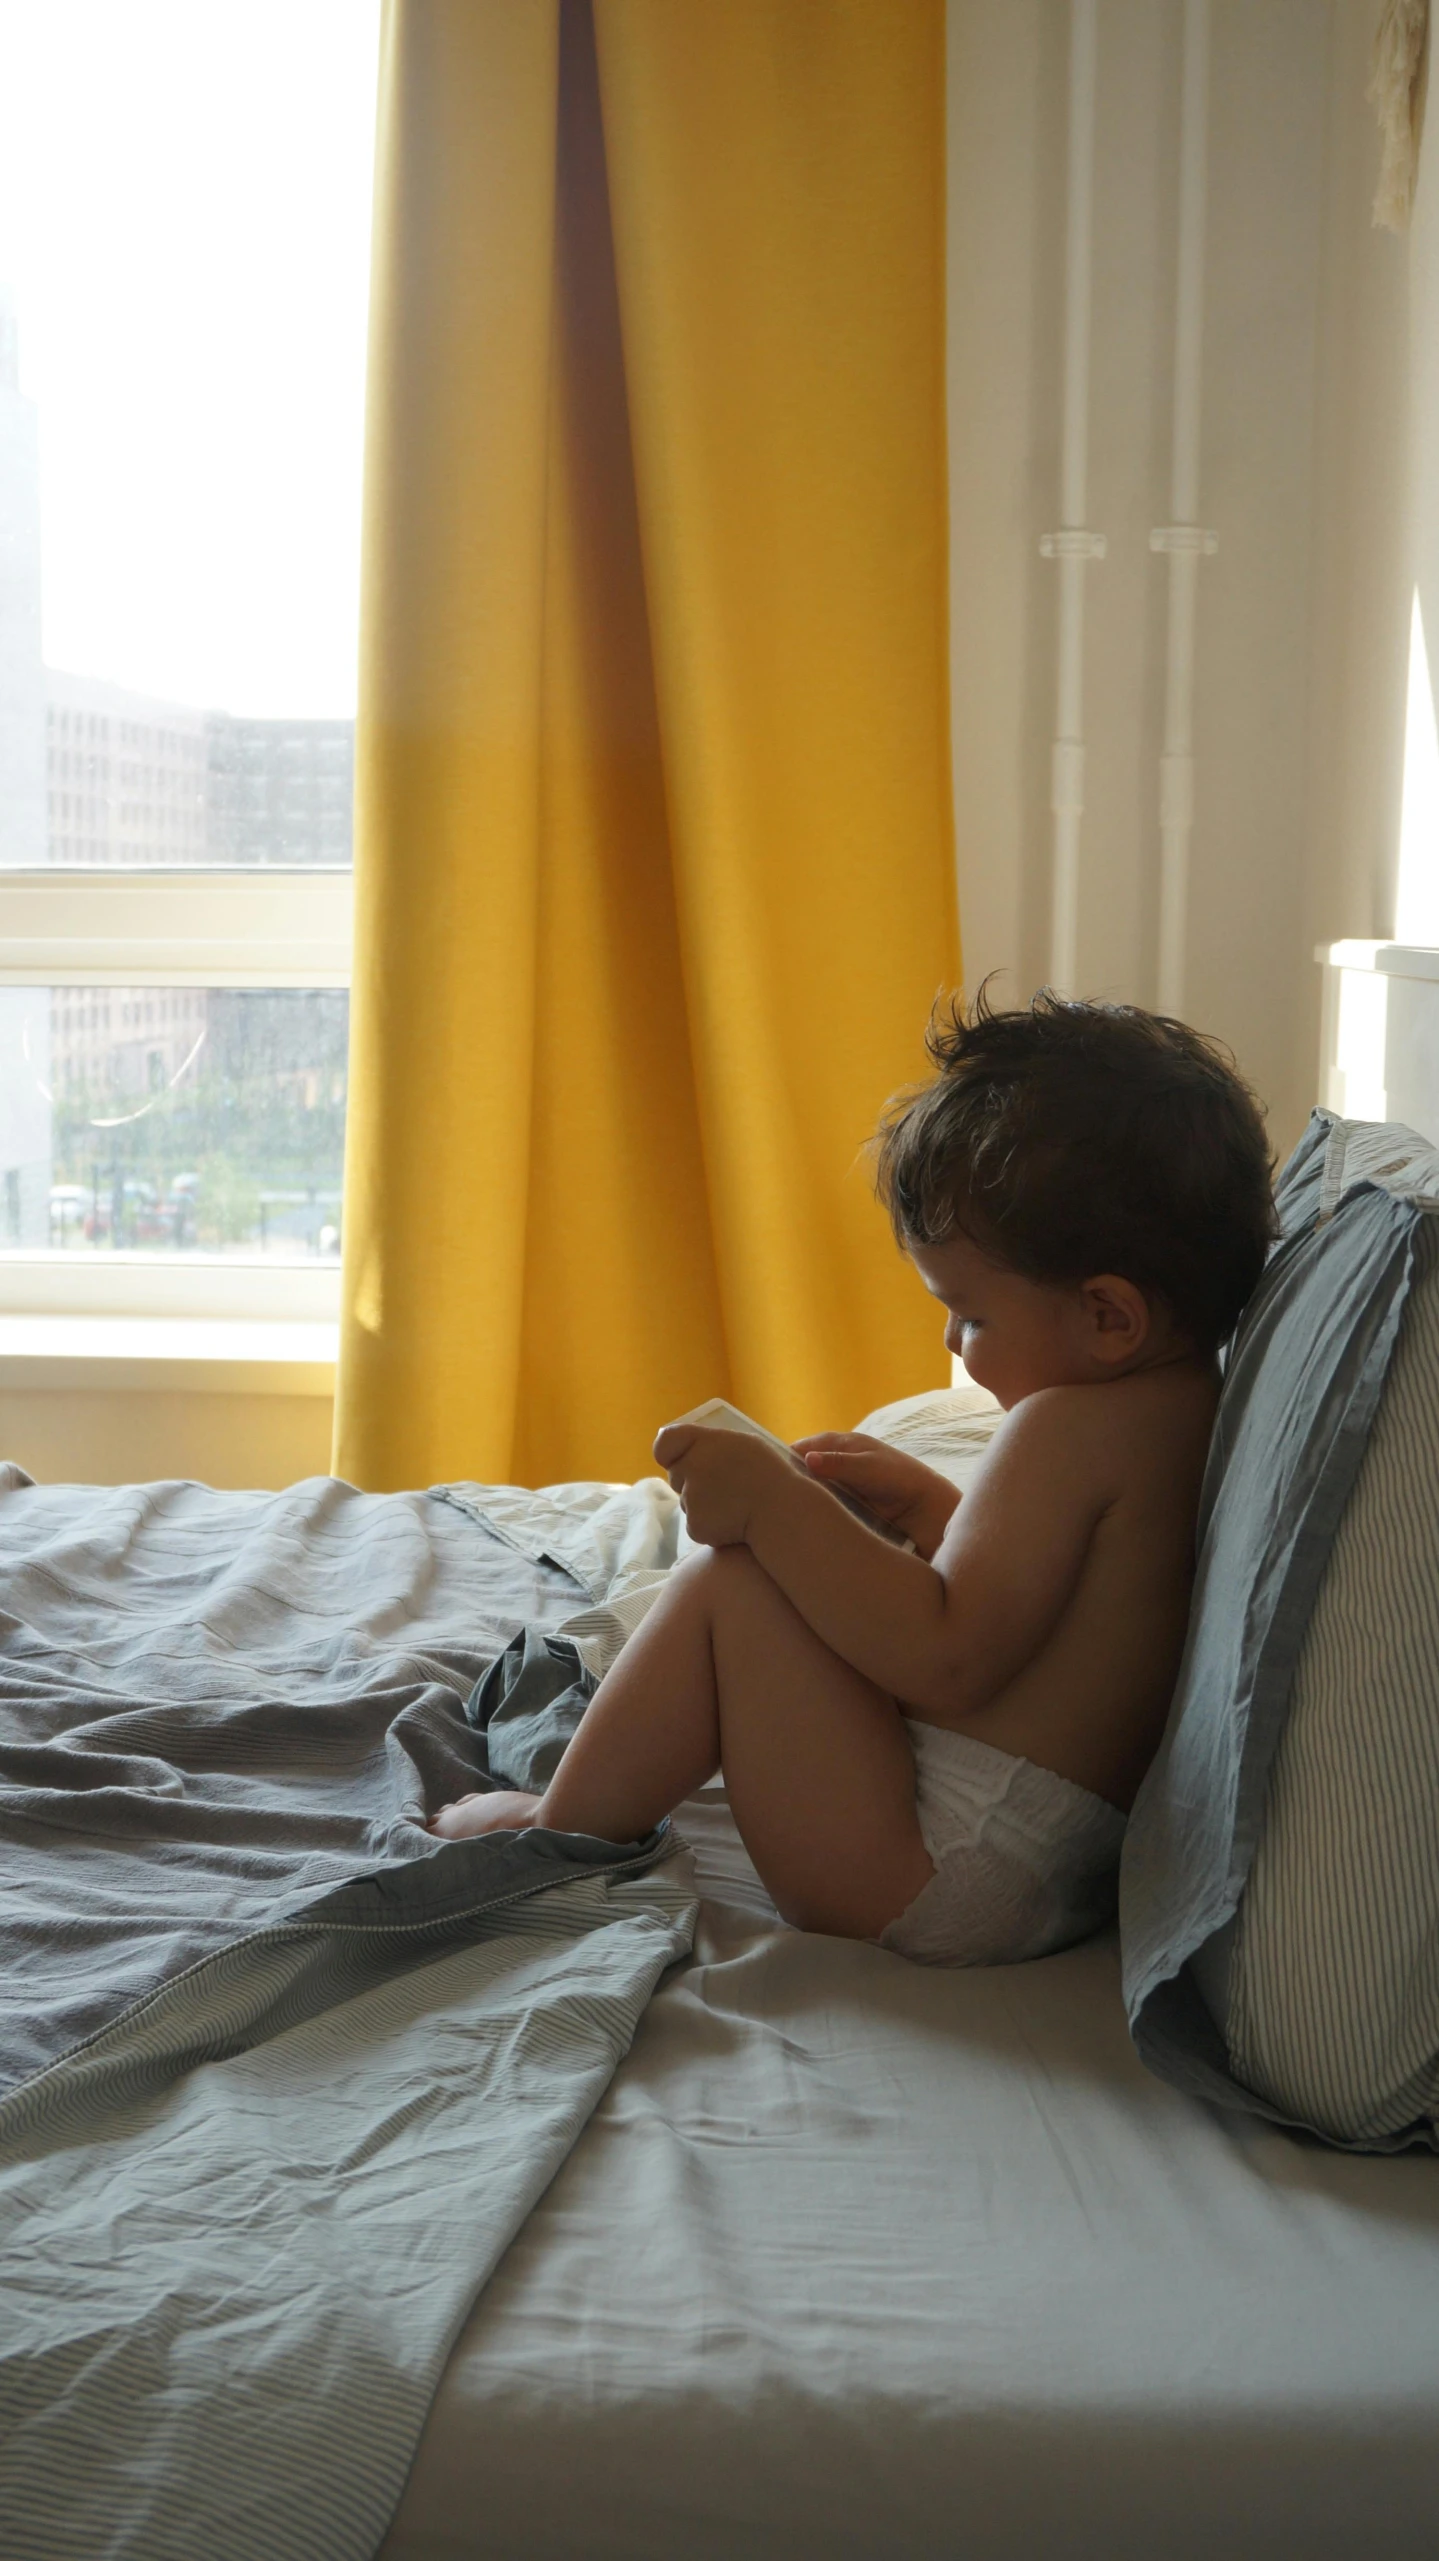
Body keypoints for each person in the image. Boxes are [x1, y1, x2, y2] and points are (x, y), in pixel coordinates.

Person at [430, 992, 1275, 1967]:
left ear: (1107, 1315)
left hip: (936, 1872)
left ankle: (560, 1819)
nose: (952, 1345)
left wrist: (775, 1504)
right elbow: (1048, 1613)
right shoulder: (1179, 1407)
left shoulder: (1062, 1427)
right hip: (1040, 1871)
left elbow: (947, 1657)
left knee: (736, 1580)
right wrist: (925, 1506)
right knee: (811, 1570)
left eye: (971, 1315)